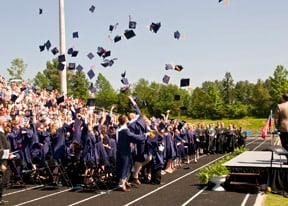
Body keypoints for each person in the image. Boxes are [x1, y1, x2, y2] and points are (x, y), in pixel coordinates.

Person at [0, 116, 14, 205]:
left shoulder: (2, 133)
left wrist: (9, 154)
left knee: (2, 182)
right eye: (4, 120)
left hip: (4, 160)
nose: (6, 122)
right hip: (1, 162)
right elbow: (0, 149)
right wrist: (2, 163)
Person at [274, 93, 288, 163]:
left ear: (283, 99)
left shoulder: (280, 106)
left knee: (285, 144)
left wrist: (277, 127)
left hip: (284, 128)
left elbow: (276, 119)